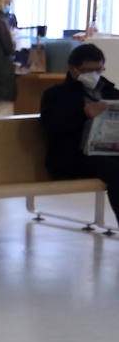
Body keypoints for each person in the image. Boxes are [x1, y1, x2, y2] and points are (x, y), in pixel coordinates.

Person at [39, 42, 119, 221]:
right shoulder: (56, 95)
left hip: (108, 154)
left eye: (99, 70)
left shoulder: (111, 93)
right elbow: (52, 126)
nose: (95, 75)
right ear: (74, 70)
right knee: (116, 173)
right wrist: (83, 114)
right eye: (88, 70)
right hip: (72, 158)